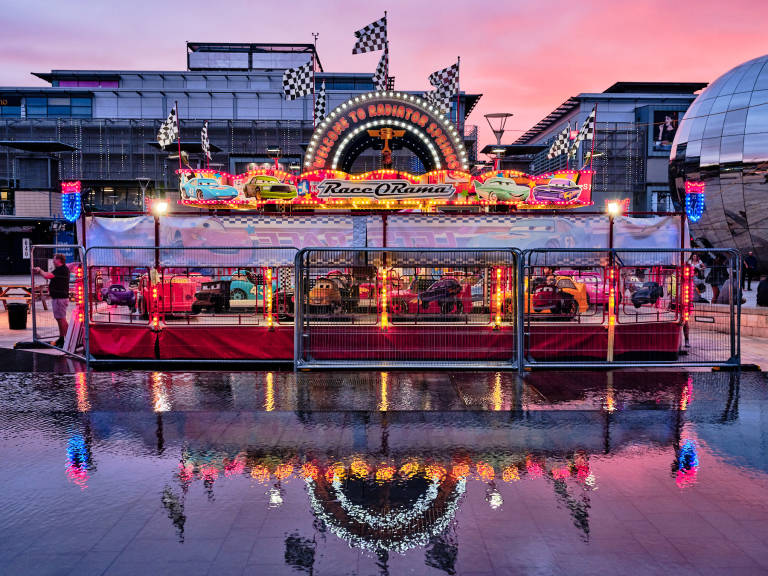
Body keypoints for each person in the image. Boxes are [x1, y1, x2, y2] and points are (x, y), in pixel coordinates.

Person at [33, 254, 70, 347]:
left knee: (61, 319)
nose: (53, 261)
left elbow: (47, 276)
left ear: (59, 260)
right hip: (59, 298)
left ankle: (68, 339)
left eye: (54, 259)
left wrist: (39, 270)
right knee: (60, 319)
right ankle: (62, 338)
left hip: (60, 298)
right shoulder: (60, 269)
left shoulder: (61, 269)